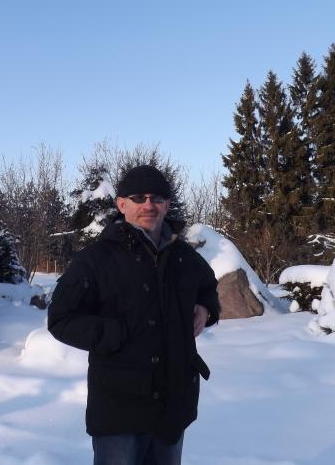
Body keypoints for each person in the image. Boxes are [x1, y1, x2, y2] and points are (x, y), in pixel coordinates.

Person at [48, 165, 220, 465]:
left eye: (157, 198)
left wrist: (206, 308)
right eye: (138, 198)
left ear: (167, 204)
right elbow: (61, 319)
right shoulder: (96, 259)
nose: (148, 205)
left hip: (173, 405)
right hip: (120, 408)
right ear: (121, 204)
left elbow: (208, 288)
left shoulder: (183, 257)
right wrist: (117, 334)